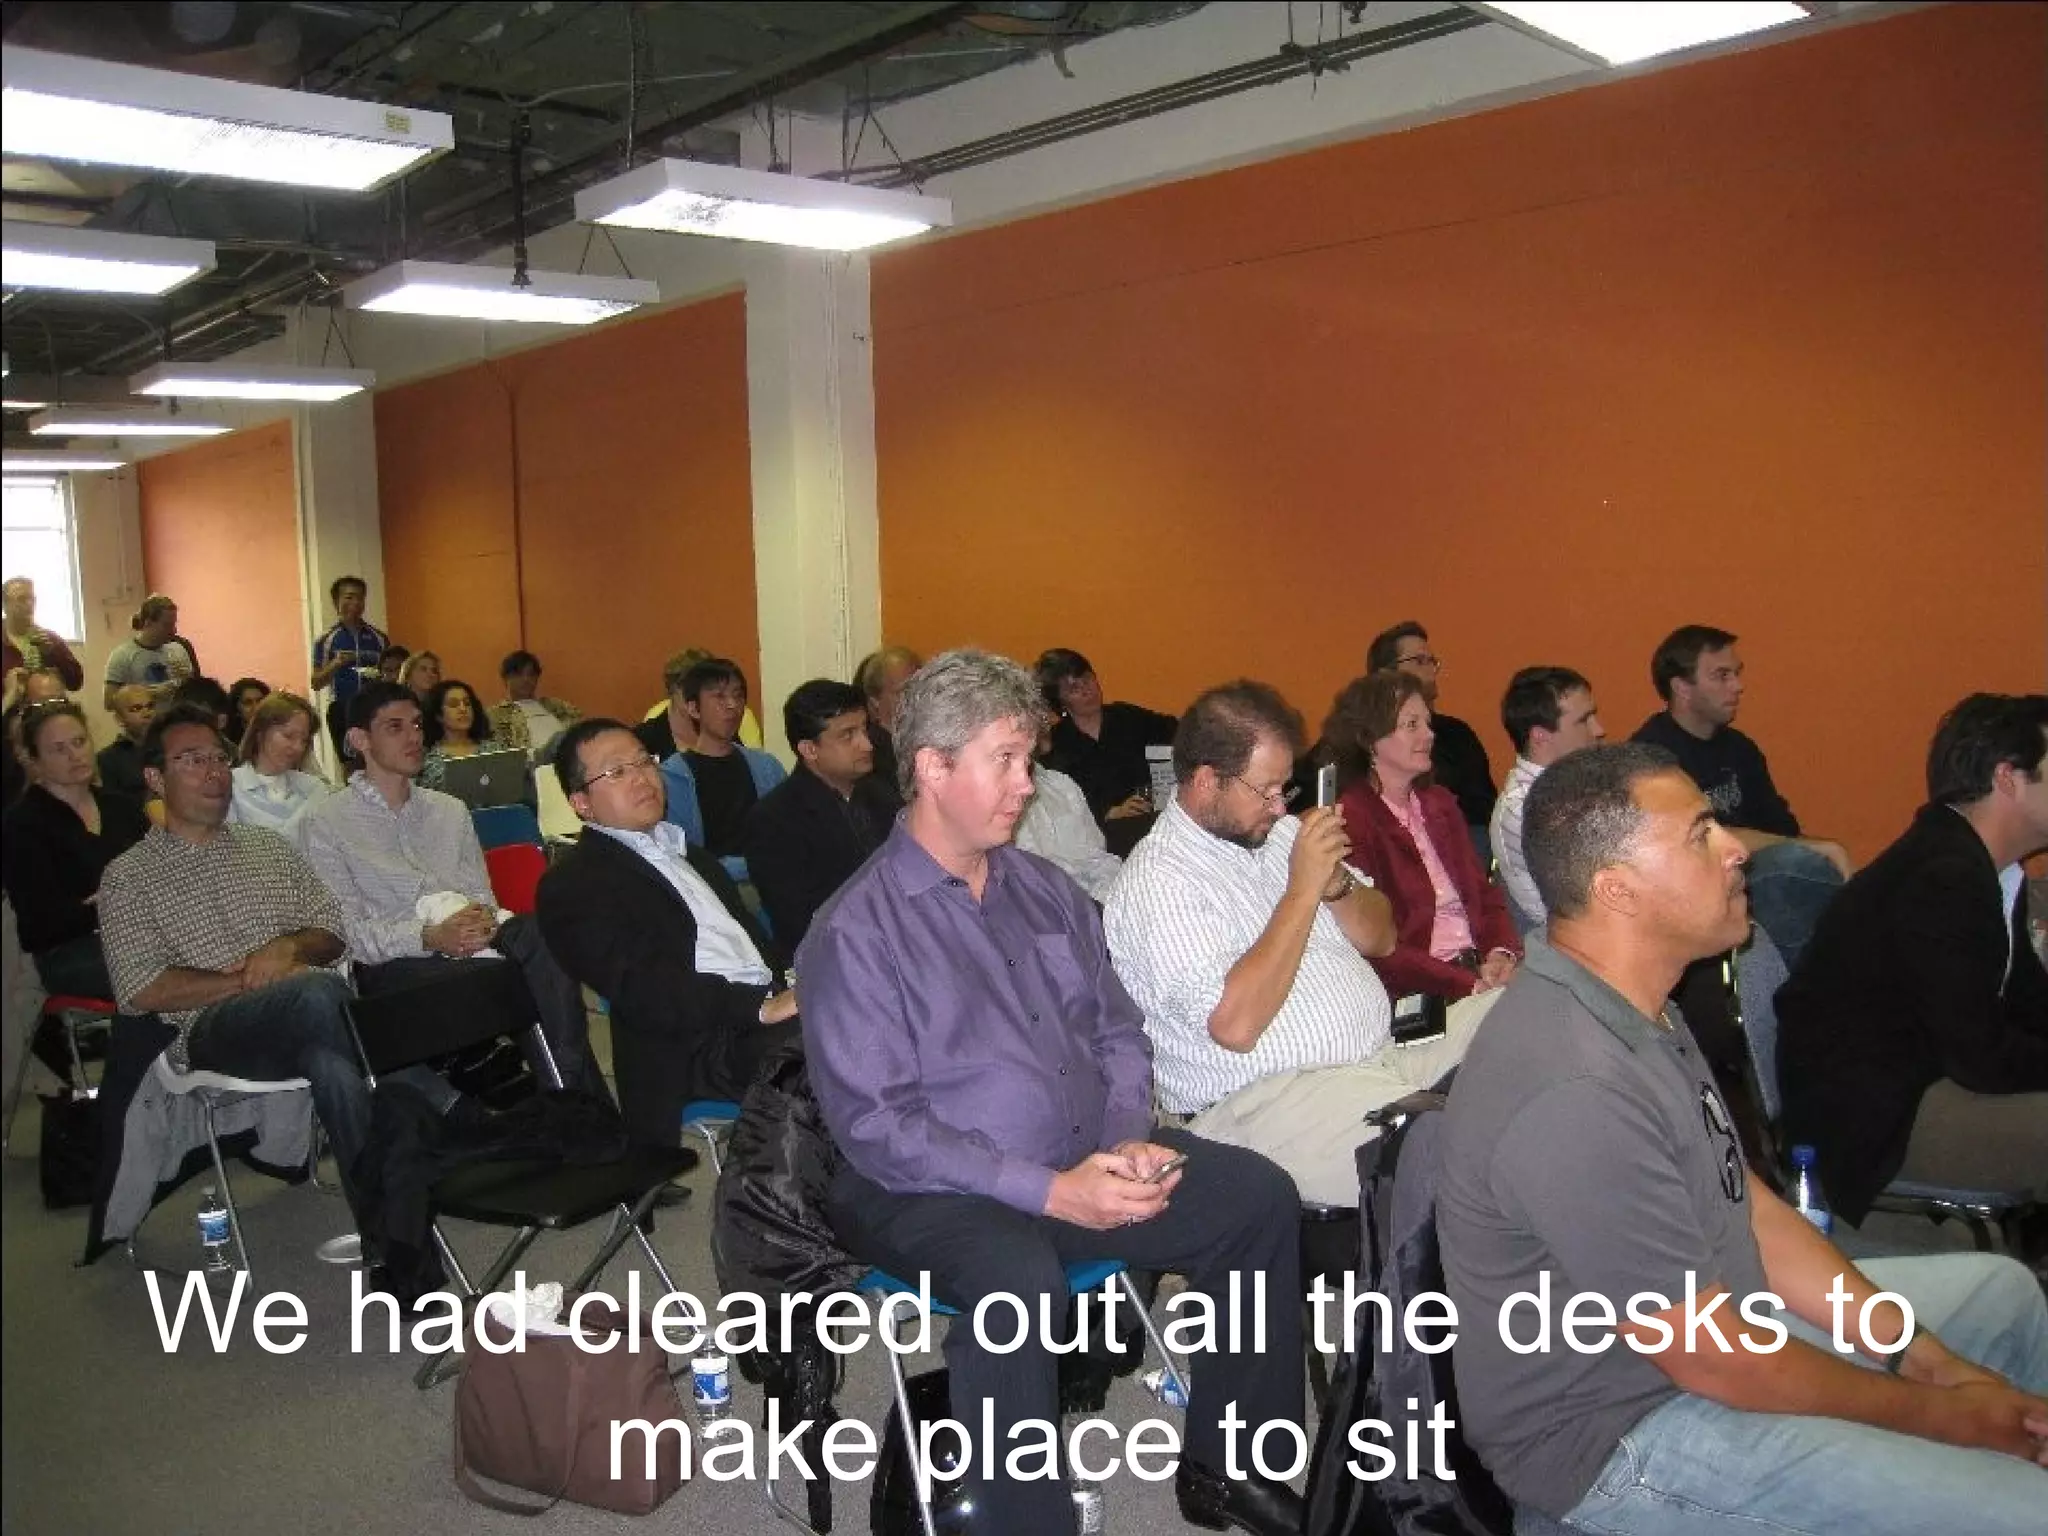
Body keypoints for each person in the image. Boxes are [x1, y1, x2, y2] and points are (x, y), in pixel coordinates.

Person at [1436, 742, 2048, 1535]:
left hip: (1713, 1331)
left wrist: (1921, 1357)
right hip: (1624, 1433)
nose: (1735, 849)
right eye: (1699, 834)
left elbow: (1747, 1206)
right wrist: (1941, 1415)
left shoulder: (1640, 1002)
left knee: (2003, 1300)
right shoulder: (1573, 1082)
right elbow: (1717, 1357)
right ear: (1616, 890)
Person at [802, 650, 1307, 1536]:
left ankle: (1230, 1465)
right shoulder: (855, 929)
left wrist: (1122, 1140)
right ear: (931, 765)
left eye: (1027, 760)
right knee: (1016, 1281)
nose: (1025, 785)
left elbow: (1116, 1029)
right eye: (1005, 759)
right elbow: (880, 1129)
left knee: (1255, 1195)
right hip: (924, 1190)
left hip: (1082, 1154)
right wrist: (1053, 1189)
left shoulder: (1041, 888)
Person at [1107, 681, 1495, 1208]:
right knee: (1451, 1147)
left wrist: (1334, 884)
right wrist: (1302, 889)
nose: (1277, 805)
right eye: (1264, 790)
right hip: (1269, 1099)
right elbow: (1235, 1026)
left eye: (1284, 788)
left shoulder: (1282, 834)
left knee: (1528, 1018)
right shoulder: (1159, 881)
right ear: (1204, 781)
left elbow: (1381, 937)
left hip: (1380, 1055)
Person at [94, 705, 386, 1230]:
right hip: (210, 1033)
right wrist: (250, 978)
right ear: (155, 778)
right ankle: (443, 1111)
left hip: (303, 1021)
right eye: (191, 760)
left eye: (218, 758)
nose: (213, 771)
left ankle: (388, 1229)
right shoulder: (129, 877)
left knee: (332, 1065)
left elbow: (332, 932)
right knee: (321, 995)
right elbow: (141, 989)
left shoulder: (268, 848)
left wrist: (286, 947)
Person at [1778, 693, 2048, 1226]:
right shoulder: (1942, 878)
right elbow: (1982, 1057)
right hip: (1879, 1123)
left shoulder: (1993, 870)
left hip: (1925, 1085)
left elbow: (2028, 1005)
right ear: (2008, 779)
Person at [294, 682, 605, 1100]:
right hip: (395, 962)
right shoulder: (326, 822)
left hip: (471, 939)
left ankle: (567, 1090)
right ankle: (576, 1101)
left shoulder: (448, 810)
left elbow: (482, 898)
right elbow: (346, 934)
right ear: (359, 740)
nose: (414, 736)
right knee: (519, 977)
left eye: (418, 725)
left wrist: (478, 921)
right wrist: (427, 936)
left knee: (541, 936)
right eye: (395, 727)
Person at [537, 719, 798, 1148]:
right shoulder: (573, 883)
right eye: (617, 771)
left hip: (762, 1013)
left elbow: (754, 947)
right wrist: (760, 1008)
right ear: (580, 802)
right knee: (836, 1043)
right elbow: (645, 992)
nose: (641, 776)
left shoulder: (693, 857)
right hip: (695, 1045)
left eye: (644, 761)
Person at [1633, 624, 1849, 970]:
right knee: (1794, 868)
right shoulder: (1652, 757)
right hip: (1699, 888)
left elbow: (1782, 830)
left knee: (1836, 877)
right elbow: (1698, 842)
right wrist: (1818, 850)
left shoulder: (1740, 749)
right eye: (1721, 676)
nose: (1737, 686)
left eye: (1736, 674)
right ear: (1682, 688)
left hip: (1756, 880)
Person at [1330, 669, 1520, 1000]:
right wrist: (1465, 984)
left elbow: (1484, 895)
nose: (1430, 735)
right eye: (1412, 725)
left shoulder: (1440, 804)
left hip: (1479, 973)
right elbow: (1381, 948)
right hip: (1422, 992)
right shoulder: (1352, 820)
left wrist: (1501, 953)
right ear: (1370, 740)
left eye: (1428, 724)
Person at [0, 700, 149, 1000]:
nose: (74, 755)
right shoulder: (22, 823)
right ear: (34, 760)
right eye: (58, 749)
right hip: (72, 953)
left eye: (79, 742)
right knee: (167, 970)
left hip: (144, 935)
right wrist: (106, 904)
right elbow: (38, 927)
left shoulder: (121, 807)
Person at [740, 679, 895, 948]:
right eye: (848, 735)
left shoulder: (884, 797)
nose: (867, 744)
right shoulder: (775, 821)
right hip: (834, 955)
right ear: (809, 750)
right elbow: (800, 921)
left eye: (864, 729)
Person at [1365, 621, 1496, 863]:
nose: (1432, 671)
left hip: (1459, 853)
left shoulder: (1457, 734)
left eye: (1432, 662)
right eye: (1419, 661)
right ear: (1385, 674)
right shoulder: (1358, 738)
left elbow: (1483, 810)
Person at [1489, 665, 1607, 929]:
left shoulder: (1582, 783)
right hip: (1567, 954)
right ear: (1540, 736)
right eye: (1583, 720)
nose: (1599, 729)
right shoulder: (1522, 808)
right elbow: (1572, 913)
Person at [1035, 647, 1177, 837]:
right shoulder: (1056, 745)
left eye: (1087, 679)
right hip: (1100, 837)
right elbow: (1061, 807)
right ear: (1061, 703)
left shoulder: (1126, 716)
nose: (1087, 691)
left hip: (1154, 821)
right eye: (1074, 689)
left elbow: (1177, 731)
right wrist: (1109, 813)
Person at [659, 657, 785, 864]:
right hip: (712, 885)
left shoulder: (767, 767)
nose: (732, 705)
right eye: (719, 697)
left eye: (738, 695)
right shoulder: (672, 778)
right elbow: (681, 855)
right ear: (693, 708)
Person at [1016, 714, 1123, 903]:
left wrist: (1115, 897)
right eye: (1037, 712)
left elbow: (1097, 857)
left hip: (1095, 904)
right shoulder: (999, 800)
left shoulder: (1061, 785)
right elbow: (1030, 880)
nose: (1048, 719)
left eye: (1045, 710)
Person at [229, 692, 328, 836]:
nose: (297, 747)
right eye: (288, 736)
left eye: (304, 740)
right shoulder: (229, 788)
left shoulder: (315, 788)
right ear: (260, 733)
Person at [310, 575, 388, 759]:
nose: (355, 602)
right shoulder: (326, 639)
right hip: (342, 708)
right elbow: (316, 683)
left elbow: (391, 673)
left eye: (360, 597)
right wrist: (335, 664)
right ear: (336, 601)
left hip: (375, 709)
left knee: (378, 759)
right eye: (349, 597)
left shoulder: (380, 638)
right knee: (351, 764)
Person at [102, 595, 198, 710]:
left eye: (174, 624)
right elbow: (109, 703)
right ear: (148, 623)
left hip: (175, 723)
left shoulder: (179, 649)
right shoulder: (122, 655)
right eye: (167, 625)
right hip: (143, 726)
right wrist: (147, 694)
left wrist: (188, 680)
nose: (174, 630)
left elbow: (193, 694)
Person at [854, 643, 921, 795]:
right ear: (874, 702)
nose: (915, 699)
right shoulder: (870, 758)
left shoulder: (927, 744)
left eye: (919, 689)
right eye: (903, 692)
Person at [487, 650, 577, 758]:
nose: (526, 679)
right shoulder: (496, 716)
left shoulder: (558, 707)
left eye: (531, 674)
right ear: (506, 678)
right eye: (518, 674)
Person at [2, 575, 84, 691]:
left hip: (46, 707)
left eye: (32, 599)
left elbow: (76, 683)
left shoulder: (50, 639)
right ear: (5, 605)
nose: (29, 604)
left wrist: (53, 654)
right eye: (21, 599)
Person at [418, 678, 501, 792]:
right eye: (453, 705)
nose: (463, 709)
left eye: (467, 704)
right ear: (438, 715)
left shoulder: (494, 750)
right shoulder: (428, 761)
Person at [3, 667, 70, 807]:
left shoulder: (74, 734)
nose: (52, 711)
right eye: (42, 704)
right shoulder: (12, 740)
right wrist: (9, 697)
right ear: (24, 706)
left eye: (58, 701)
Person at [97, 684, 156, 802]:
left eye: (150, 706)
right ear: (119, 719)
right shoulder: (108, 759)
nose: (147, 713)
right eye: (136, 709)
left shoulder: (170, 747)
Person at [224, 677, 270, 749]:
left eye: (260, 701)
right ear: (237, 709)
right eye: (248, 703)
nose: (256, 707)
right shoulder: (228, 743)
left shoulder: (276, 733)